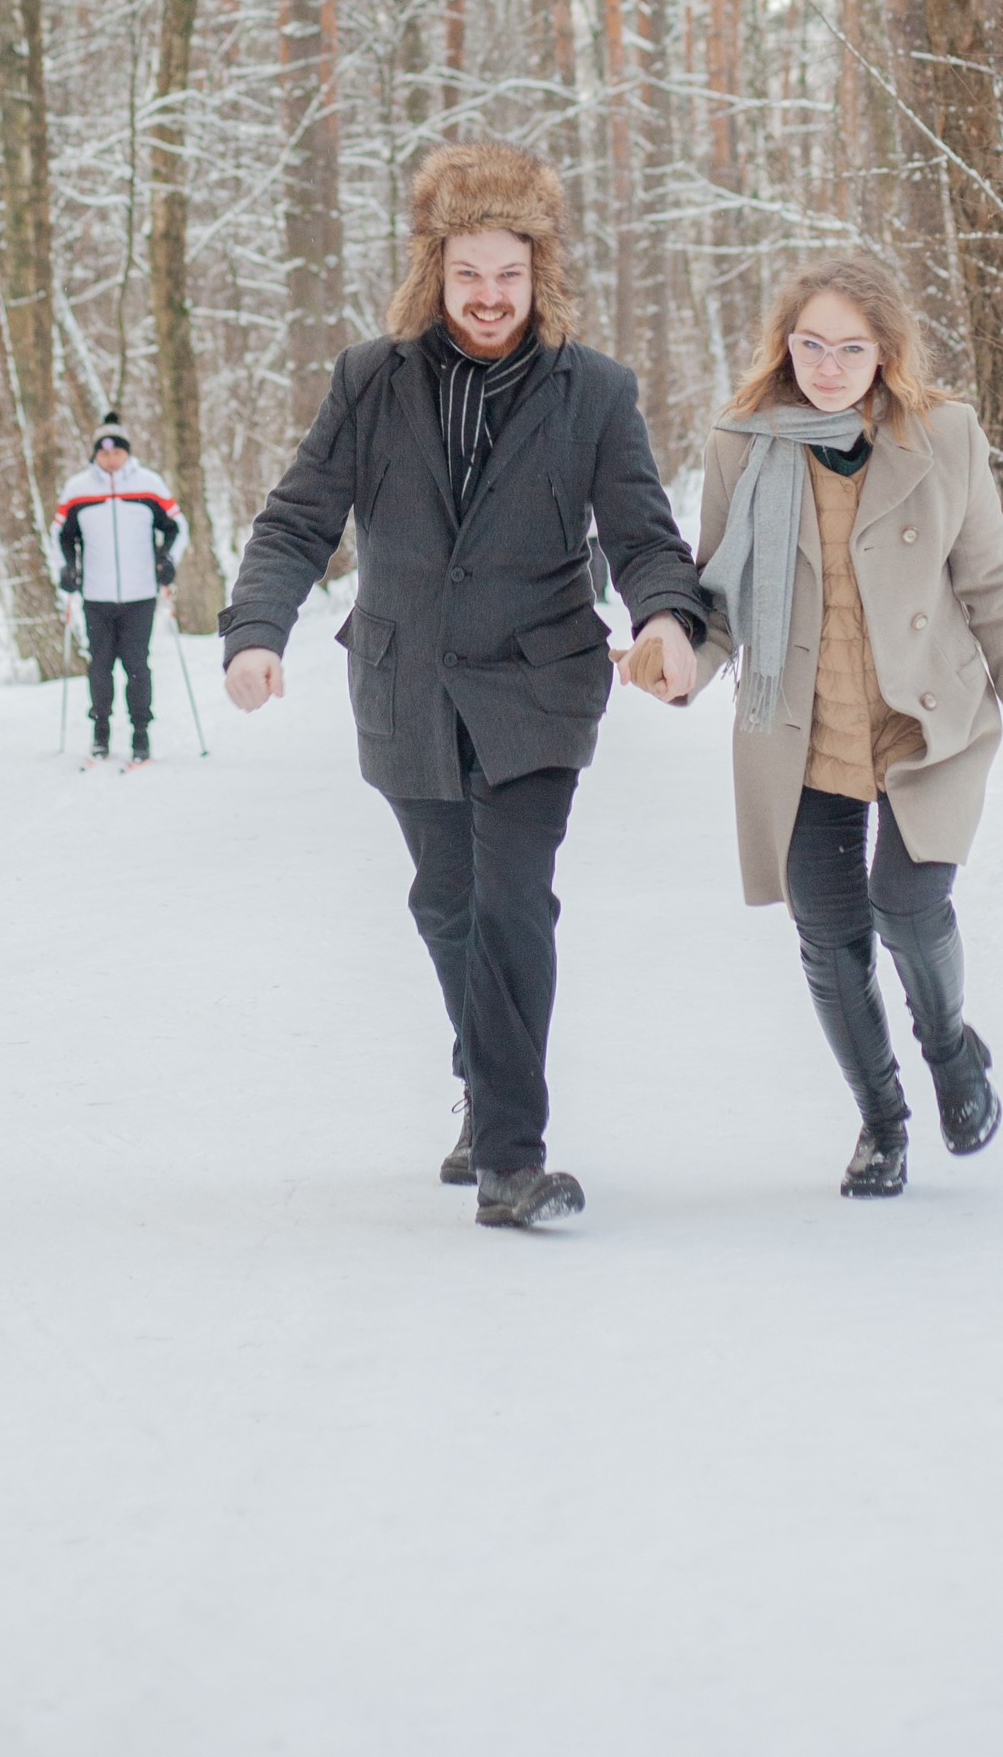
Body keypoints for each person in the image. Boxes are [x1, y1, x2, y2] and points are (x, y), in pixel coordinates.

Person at [221, 141, 711, 1231]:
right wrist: (256, 632)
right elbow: (299, 520)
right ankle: (485, 1076)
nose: (489, 297)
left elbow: (644, 536)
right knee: (446, 904)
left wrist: (666, 622)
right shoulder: (370, 381)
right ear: (433, 273)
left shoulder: (594, 393)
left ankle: (510, 1159)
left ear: (541, 275)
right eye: (468, 274)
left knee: (509, 905)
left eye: (509, 274)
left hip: (538, 693)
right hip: (406, 690)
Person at [625, 251, 1003, 1199]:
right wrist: (681, 662)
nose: (828, 366)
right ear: (786, 345)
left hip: (924, 721)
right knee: (830, 939)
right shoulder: (744, 443)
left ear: (886, 351)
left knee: (906, 905)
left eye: (851, 347)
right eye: (811, 344)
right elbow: (720, 596)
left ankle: (950, 1051)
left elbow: (993, 582)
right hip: (807, 726)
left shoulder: (942, 435)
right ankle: (882, 1120)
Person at [54, 413, 183, 764]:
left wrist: (168, 559)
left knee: (137, 666)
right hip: (96, 595)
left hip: (140, 595)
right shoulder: (78, 490)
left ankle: (141, 735)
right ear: (95, 454)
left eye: (117, 452)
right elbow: (61, 536)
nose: (110, 459)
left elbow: (176, 527)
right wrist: (67, 567)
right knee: (99, 667)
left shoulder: (149, 485)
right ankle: (100, 734)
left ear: (127, 453)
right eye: (104, 453)